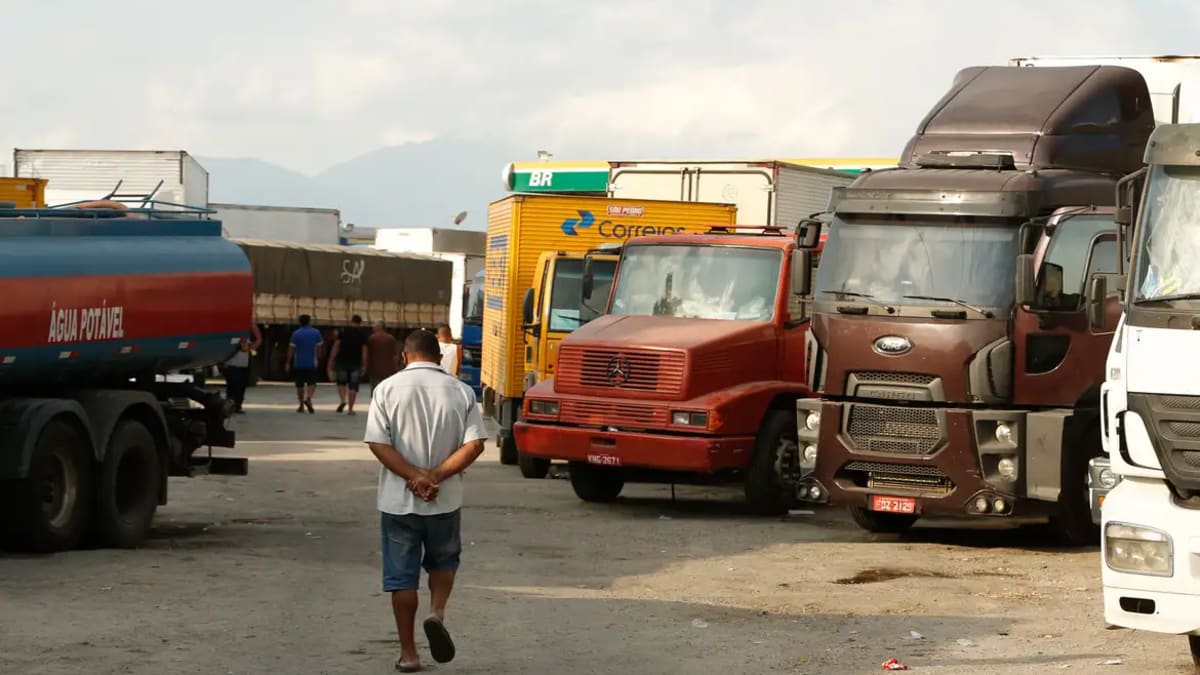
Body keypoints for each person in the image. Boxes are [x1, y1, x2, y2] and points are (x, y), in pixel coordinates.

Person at [364, 329, 487, 672]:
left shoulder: (386, 389)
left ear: (405, 356)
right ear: (439, 355)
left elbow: (378, 443)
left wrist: (414, 477)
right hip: (444, 500)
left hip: (398, 502)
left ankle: (409, 654)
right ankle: (436, 612)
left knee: (401, 578)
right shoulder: (461, 391)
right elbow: (475, 444)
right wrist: (435, 477)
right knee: (444, 560)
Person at [329, 315, 369, 415]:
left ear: (351, 321)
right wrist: (364, 364)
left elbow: (336, 346)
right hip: (356, 363)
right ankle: (351, 409)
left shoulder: (343, 331)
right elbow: (364, 350)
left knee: (341, 383)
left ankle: (343, 400)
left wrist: (331, 359)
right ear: (360, 323)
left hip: (342, 361)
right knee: (353, 386)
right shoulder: (362, 334)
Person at [286, 314, 323, 414]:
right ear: (309, 321)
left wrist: (288, 362)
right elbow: (319, 348)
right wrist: (318, 358)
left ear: (300, 322)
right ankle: (309, 398)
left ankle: (301, 405)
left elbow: (291, 349)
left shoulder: (296, 334)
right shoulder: (316, 333)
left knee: (300, 385)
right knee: (312, 383)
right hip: (311, 362)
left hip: (299, 363)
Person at [223, 323, 262, 414]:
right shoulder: (230, 327)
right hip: (231, 362)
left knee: (240, 385)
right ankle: (231, 405)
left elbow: (259, 338)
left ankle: (237, 405)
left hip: (242, 363)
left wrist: (251, 347)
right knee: (232, 385)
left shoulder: (247, 327)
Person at [367, 320, 401, 388]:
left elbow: (368, 354)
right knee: (386, 388)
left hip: (374, 369)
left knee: (375, 389)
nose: (373, 328)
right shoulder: (391, 338)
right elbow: (395, 355)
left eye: (374, 327)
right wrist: (396, 367)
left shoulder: (372, 338)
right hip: (389, 369)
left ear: (379, 327)